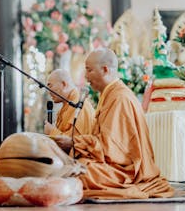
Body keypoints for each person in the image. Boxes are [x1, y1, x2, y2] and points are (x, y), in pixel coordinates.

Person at [53, 48, 174, 199]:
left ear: (105, 70)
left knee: (79, 173)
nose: (86, 76)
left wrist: (73, 143)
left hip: (125, 171)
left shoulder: (119, 98)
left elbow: (113, 150)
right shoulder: (109, 94)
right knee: (72, 167)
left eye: (89, 70)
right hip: (110, 163)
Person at [44, 69, 94, 137]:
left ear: (64, 84)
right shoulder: (66, 106)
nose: (48, 92)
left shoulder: (79, 105)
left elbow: (74, 142)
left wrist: (51, 131)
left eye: (50, 86)